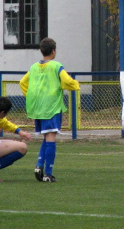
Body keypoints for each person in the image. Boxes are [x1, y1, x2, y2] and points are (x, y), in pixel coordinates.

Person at [20, 37, 80, 182]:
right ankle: (48, 173)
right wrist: (75, 84)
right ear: (53, 51)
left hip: (38, 106)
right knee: (51, 137)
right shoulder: (56, 65)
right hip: (51, 106)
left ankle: (39, 165)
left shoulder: (34, 67)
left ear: (42, 51)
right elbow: (66, 81)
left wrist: (30, 96)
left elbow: (22, 82)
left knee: (46, 136)